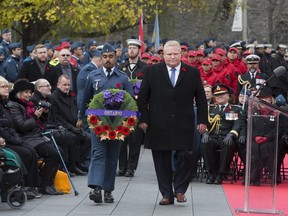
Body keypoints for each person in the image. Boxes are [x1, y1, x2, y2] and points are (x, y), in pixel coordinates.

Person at [137, 40, 208, 205]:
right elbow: (142, 98)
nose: (172, 57)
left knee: (186, 155)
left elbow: (201, 99)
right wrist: (144, 119)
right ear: (163, 55)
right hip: (158, 122)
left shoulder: (191, 72)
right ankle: (167, 194)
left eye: (175, 54)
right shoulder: (152, 71)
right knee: (161, 159)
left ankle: (180, 189)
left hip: (184, 122)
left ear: (181, 54)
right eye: (169, 54)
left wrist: (203, 120)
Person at [78, 43, 133, 204]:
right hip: (97, 124)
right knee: (98, 154)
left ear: (115, 58)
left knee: (112, 157)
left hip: (117, 125)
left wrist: (129, 122)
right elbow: (85, 98)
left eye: (111, 57)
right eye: (105, 57)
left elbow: (130, 101)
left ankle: (108, 190)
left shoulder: (122, 78)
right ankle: (96, 187)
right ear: (100, 58)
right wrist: (81, 116)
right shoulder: (93, 76)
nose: (108, 60)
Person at [8, 79, 63, 195]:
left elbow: (41, 124)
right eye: (26, 92)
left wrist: (45, 114)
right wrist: (35, 117)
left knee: (59, 152)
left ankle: (49, 183)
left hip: (36, 135)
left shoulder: (29, 104)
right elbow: (21, 126)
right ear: (19, 93)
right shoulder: (14, 105)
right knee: (54, 154)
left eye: (30, 92)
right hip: (26, 137)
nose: (29, 95)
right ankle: (44, 184)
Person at [31, 78, 87, 176]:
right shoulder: (36, 100)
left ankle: (75, 164)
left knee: (79, 137)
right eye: (47, 86)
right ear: (39, 88)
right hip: (43, 129)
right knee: (67, 136)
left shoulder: (49, 98)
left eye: (49, 85)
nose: (50, 88)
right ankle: (66, 166)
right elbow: (45, 119)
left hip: (53, 125)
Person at [0, 76, 42, 199]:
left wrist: (15, 138)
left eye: (7, 86)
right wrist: (14, 139)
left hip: (11, 137)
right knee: (26, 153)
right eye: (3, 86)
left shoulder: (4, 103)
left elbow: (10, 126)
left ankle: (31, 186)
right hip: (5, 140)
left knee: (31, 151)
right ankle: (22, 186)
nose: (6, 89)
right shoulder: (10, 104)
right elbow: (4, 128)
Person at [117, 39, 147, 177]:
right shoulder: (121, 67)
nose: (131, 51)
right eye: (129, 48)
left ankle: (131, 167)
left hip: (138, 108)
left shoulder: (145, 68)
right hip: (123, 108)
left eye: (134, 48)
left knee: (135, 139)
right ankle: (122, 166)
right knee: (121, 138)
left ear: (139, 50)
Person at [201, 83, 241, 185]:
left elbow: (237, 124)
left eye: (222, 94)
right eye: (217, 95)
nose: (220, 97)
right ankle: (210, 173)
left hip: (227, 138)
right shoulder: (210, 108)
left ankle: (221, 173)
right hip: (213, 137)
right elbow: (204, 123)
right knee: (205, 143)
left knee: (227, 145)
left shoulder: (235, 109)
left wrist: (231, 134)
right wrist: (205, 133)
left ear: (228, 96)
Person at [49, 75, 91, 170]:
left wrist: (79, 121)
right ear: (58, 85)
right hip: (63, 127)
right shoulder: (53, 97)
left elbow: (76, 111)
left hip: (74, 125)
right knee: (73, 137)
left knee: (89, 138)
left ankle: (79, 162)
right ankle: (73, 165)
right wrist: (72, 128)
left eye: (68, 85)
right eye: (64, 85)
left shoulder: (71, 95)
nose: (67, 87)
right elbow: (57, 118)